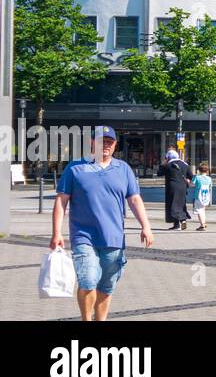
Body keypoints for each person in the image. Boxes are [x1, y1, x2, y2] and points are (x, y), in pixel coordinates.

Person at [51, 126, 154, 321]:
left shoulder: (123, 169)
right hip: (83, 236)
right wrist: (57, 233)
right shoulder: (75, 168)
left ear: (115, 144)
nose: (105, 145)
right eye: (101, 141)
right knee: (88, 281)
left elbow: (134, 199)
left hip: (114, 238)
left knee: (106, 287)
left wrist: (146, 226)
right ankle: (86, 319)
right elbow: (61, 201)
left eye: (109, 141)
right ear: (92, 142)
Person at [163, 148, 192, 230]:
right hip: (183, 187)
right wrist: (187, 180)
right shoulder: (185, 164)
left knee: (173, 204)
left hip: (172, 187)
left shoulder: (168, 165)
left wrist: (163, 163)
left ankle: (177, 224)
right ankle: (182, 221)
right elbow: (191, 175)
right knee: (181, 204)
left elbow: (159, 173)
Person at [191, 162, 213, 231]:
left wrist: (188, 181)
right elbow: (210, 186)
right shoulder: (209, 178)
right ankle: (204, 223)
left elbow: (192, 185)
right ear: (207, 171)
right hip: (205, 197)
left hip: (198, 197)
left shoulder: (197, 177)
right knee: (203, 210)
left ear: (199, 170)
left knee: (199, 211)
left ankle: (202, 225)